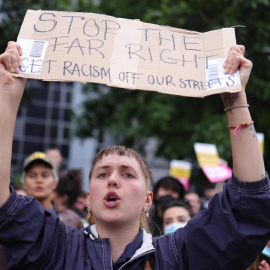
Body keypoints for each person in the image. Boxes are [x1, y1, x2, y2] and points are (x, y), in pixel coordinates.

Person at [0, 42, 270, 269]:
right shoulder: (55, 247)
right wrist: (8, 95)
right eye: (103, 173)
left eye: (127, 173)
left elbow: (249, 207)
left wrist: (235, 100)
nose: (113, 180)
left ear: (147, 200)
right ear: (89, 199)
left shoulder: (178, 256)